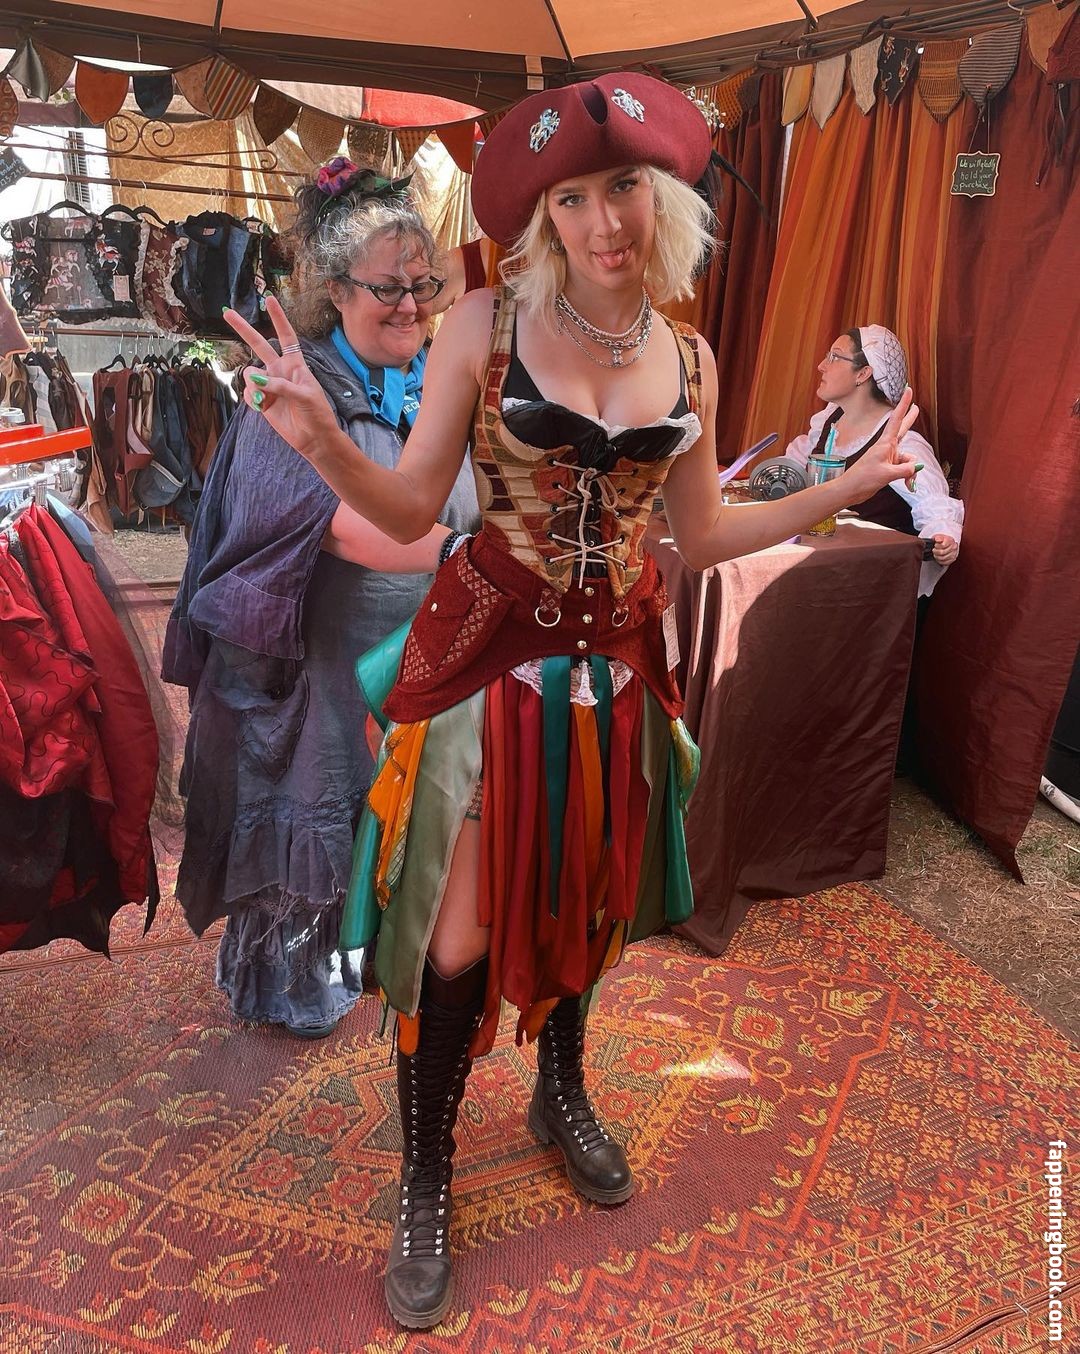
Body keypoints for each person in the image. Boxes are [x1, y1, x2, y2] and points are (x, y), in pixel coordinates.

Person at [223, 74, 922, 1329]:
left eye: (626, 189)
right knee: (455, 936)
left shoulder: (691, 357)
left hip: (618, 671)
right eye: (575, 197)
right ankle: (427, 1175)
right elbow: (411, 508)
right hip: (488, 661)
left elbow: (703, 532)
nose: (606, 221)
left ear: (663, 199)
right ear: (544, 214)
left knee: (591, 898)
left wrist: (843, 485)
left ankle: (560, 1089)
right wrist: (323, 439)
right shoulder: (483, 325)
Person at [163, 160, 479, 1039]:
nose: (411, 306)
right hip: (315, 658)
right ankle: (289, 981)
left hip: (414, 650)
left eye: (424, 286)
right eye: (388, 288)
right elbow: (350, 529)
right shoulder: (292, 393)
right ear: (335, 289)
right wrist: (480, 558)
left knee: (393, 806)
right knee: (317, 806)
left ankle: (373, 950)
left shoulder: (439, 383)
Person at [785, 325, 964, 597]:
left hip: (868, 584)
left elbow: (934, 506)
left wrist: (942, 536)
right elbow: (796, 463)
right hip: (821, 565)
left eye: (834, 356)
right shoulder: (830, 420)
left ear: (863, 373)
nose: (821, 366)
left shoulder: (901, 441)